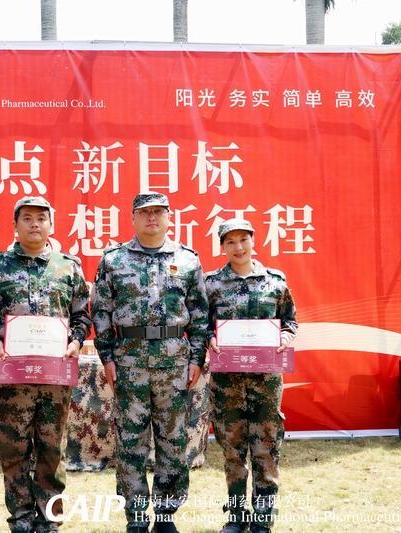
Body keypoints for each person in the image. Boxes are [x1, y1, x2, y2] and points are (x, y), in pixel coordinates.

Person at [0, 196, 92, 533]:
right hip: (13, 377)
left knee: (52, 450)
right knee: (14, 450)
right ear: (16, 224)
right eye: (27, 218)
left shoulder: (68, 267)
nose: (35, 223)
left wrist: (76, 341)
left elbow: (82, 316)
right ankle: (21, 518)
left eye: (41, 218)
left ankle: (49, 519)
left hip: (55, 376)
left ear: (51, 224)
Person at [91, 192, 209, 533]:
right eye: (144, 213)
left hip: (174, 363)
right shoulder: (114, 260)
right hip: (129, 361)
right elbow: (101, 311)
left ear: (169, 217)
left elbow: (199, 314)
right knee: (130, 442)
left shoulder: (187, 260)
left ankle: (167, 515)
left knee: (173, 440)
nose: (152, 218)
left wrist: (197, 357)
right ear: (133, 218)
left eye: (158, 212)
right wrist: (107, 356)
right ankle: (137, 517)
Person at [205, 218, 297, 533]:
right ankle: (236, 516)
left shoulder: (275, 281)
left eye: (243, 239)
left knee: (266, 448)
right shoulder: (211, 284)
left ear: (253, 241)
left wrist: (285, 337)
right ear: (222, 247)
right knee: (232, 450)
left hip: (265, 381)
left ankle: (262, 518)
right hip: (226, 383)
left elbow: (290, 321)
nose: (238, 247)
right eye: (230, 241)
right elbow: (202, 324)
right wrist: (210, 338)